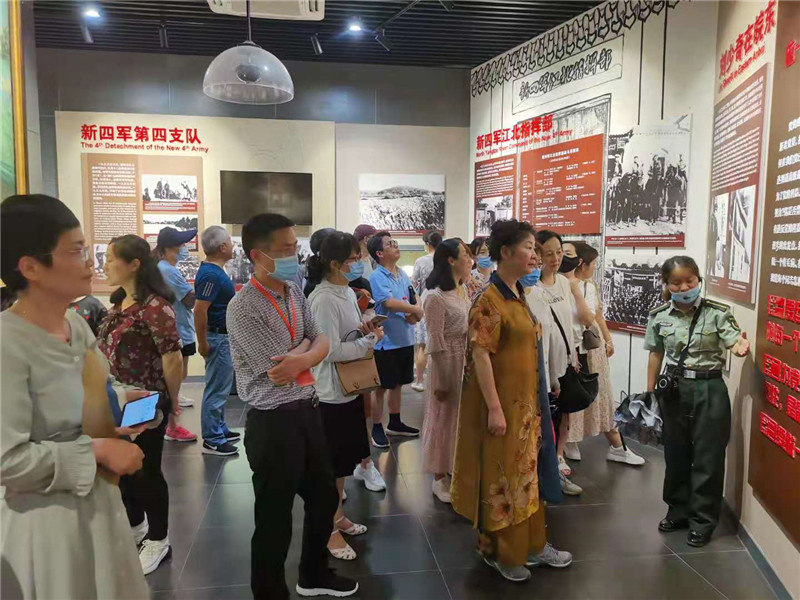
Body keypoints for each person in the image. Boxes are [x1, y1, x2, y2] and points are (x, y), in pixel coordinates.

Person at [1, 194, 149, 600]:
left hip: (99, 508)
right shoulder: (8, 344)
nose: (90, 262)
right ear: (31, 267)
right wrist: (97, 451)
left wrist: (124, 403)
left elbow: (97, 389)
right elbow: (8, 461)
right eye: (76, 251)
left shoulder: (74, 323)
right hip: (47, 525)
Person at [227, 213, 357, 599]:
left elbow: (319, 340)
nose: (294, 255)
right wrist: (307, 351)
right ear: (258, 255)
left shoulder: (294, 291)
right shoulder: (243, 306)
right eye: (285, 249)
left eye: (295, 247)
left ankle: (313, 574)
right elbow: (278, 371)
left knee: (324, 497)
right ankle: (268, 591)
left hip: (307, 409)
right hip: (272, 421)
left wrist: (303, 354)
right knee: (274, 516)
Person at [451, 220, 571, 583]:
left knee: (527, 476)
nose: (536, 256)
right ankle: (500, 552)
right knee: (501, 479)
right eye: (529, 248)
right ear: (506, 252)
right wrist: (495, 409)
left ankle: (534, 545)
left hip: (526, 409)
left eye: (536, 249)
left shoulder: (518, 294)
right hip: (502, 408)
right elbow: (481, 356)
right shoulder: (488, 301)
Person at [645, 256, 749, 548]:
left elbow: (732, 339)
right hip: (674, 389)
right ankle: (677, 511)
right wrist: (650, 392)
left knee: (708, 457)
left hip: (709, 388)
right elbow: (655, 353)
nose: (684, 287)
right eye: (676, 282)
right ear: (667, 285)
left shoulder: (717, 312)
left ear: (699, 280)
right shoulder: (659, 315)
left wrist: (739, 345)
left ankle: (703, 521)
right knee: (675, 453)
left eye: (690, 281)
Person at [96, 234, 184, 576]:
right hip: (115, 399)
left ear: (134, 264)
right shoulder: (119, 303)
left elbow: (172, 358)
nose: (105, 265)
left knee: (146, 469)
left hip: (145, 400)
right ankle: (136, 527)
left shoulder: (155, 307)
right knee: (121, 468)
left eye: (111, 259)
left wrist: (173, 401)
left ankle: (159, 539)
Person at [307, 231, 384, 560]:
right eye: (354, 259)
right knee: (329, 467)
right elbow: (328, 350)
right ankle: (327, 529)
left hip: (348, 389)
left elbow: (346, 335)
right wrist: (367, 343)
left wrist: (367, 330)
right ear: (336, 264)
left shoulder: (346, 292)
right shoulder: (324, 298)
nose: (359, 263)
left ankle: (337, 516)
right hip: (330, 392)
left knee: (341, 465)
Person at [564, 241, 644, 466]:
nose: (594, 267)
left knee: (602, 393)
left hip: (592, 345)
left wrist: (608, 339)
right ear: (582, 263)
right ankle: (570, 440)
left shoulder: (590, 286)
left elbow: (597, 315)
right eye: (593, 263)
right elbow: (585, 317)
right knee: (574, 393)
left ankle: (616, 445)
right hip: (573, 346)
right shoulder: (564, 285)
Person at [534, 229, 590, 496]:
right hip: (542, 366)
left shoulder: (564, 284)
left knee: (563, 414)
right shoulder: (531, 288)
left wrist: (573, 356)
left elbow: (567, 324)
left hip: (565, 361)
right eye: (549, 253)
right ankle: (543, 474)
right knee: (543, 422)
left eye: (558, 252)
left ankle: (558, 460)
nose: (555, 258)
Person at [421, 238, 472, 503]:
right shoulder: (435, 297)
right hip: (446, 362)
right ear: (451, 260)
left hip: (464, 358)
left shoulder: (462, 290)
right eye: (466, 255)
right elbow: (435, 341)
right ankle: (439, 477)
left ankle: (453, 465)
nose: (470, 260)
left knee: (458, 417)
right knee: (442, 417)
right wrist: (441, 380)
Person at [367, 231, 424, 448]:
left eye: (395, 242)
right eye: (390, 244)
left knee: (398, 384)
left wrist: (416, 310)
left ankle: (395, 421)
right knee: (381, 387)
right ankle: (377, 427)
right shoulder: (377, 276)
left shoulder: (401, 273)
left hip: (404, 339)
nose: (395, 246)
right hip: (386, 342)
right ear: (380, 253)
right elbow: (389, 303)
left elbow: (414, 296)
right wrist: (415, 310)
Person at [194, 226, 240, 456]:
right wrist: (202, 342)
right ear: (222, 247)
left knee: (221, 387)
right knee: (216, 389)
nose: (233, 245)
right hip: (217, 338)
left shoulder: (215, 271)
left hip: (222, 337)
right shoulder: (211, 274)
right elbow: (200, 310)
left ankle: (220, 428)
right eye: (230, 241)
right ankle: (212, 438)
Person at [155, 227, 199, 443]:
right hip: (177, 329)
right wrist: (199, 288)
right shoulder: (168, 271)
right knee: (174, 377)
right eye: (180, 245)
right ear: (166, 249)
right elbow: (189, 300)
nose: (184, 248)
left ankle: (170, 421)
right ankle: (171, 427)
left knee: (178, 376)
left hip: (179, 327)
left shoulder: (164, 268)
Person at [411, 230, 443, 392]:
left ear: (427, 244)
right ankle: (438, 381)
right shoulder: (446, 260)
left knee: (422, 345)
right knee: (440, 344)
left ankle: (419, 381)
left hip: (426, 300)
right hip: (444, 300)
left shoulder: (421, 261)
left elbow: (414, 284)